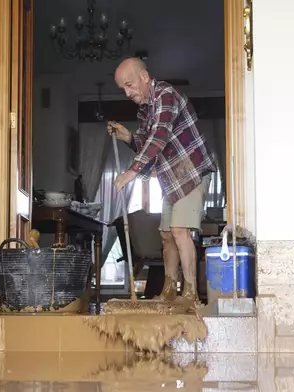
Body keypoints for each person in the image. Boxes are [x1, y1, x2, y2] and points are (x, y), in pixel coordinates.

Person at [107, 57, 217, 304]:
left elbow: (159, 137)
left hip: (192, 171)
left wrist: (131, 173)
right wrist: (127, 137)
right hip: (172, 177)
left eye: (130, 85)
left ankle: (189, 294)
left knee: (179, 230)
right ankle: (169, 290)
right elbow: (146, 145)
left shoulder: (166, 94)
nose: (127, 93)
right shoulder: (144, 109)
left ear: (145, 77)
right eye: (123, 89)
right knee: (167, 234)